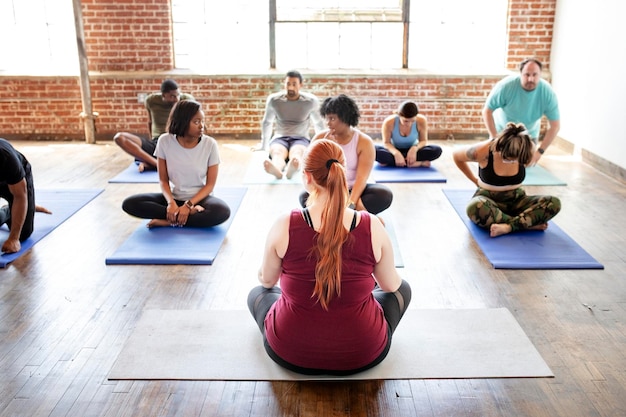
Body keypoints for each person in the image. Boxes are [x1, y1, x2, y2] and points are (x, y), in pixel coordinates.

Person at [247, 139, 412, 375]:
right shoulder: (372, 225)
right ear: (342, 173)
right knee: (402, 288)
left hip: (289, 351)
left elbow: (266, 281)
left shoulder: (284, 224)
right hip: (363, 352)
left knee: (259, 293)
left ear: (307, 177)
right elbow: (391, 285)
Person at [122, 100, 230, 228]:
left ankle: (169, 221)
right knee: (130, 204)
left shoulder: (210, 144)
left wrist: (188, 205)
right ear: (182, 122)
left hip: (200, 199)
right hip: (174, 198)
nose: (201, 126)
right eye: (196, 122)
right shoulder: (164, 141)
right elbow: (163, 180)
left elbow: (210, 185)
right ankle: (184, 216)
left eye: (202, 121)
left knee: (222, 212)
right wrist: (171, 203)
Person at [452, 122, 561, 238]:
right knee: (474, 207)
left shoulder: (528, 149)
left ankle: (508, 226)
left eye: (515, 159)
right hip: (489, 199)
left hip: (517, 200)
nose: (512, 161)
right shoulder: (483, 150)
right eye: (507, 158)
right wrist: (474, 180)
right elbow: (456, 156)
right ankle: (525, 224)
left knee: (554, 203)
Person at [299, 94, 393, 215]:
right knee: (304, 196)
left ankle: (338, 213)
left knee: (383, 194)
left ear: (346, 118)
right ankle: (357, 215)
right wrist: (327, 147)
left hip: (353, 190)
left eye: (332, 119)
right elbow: (310, 171)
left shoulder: (364, 142)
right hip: (327, 190)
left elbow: (361, 178)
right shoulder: (320, 138)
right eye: (326, 119)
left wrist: (351, 203)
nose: (328, 123)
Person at [483, 58, 560, 166]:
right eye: (526, 75)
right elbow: (487, 110)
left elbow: (555, 126)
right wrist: (494, 137)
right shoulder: (506, 86)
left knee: (524, 166)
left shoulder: (547, 93)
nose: (530, 79)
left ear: (540, 75)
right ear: (520, 74)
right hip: (504, 133)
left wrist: (539, 152)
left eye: (535, 75)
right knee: (498, 165)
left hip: (529, 135)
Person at [254, 70, 324, 180]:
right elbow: (267, 122)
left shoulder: (310, 101)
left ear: (301, 85)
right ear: (284, 84)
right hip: (280, 137)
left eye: (294, 84)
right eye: (288, 84)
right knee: (277, 153)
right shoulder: (274, 100)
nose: (290, 87)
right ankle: (276, 170)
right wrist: (264, 145)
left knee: (297, 153)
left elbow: (319, 123)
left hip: (301, 139)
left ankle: (293, 168)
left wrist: (321, 144)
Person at [114, 79, 195, 172]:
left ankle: (149, 163)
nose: (176, 99)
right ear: (163, 95)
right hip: (157, 142)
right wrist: (151, 140)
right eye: (172, 96)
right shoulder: (151, 101)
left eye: (177, 95)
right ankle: (156, 164)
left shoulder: (187, 100)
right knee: (119, 137)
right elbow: (150, 122)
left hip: (177, 142)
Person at [0, 138, 51, 254]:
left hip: (16, 184)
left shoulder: (5, 156)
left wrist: (13, 238)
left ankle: (24, 207)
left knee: (23, 233)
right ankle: (11, 210)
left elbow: (19, 195)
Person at [375, 100, 442, 167]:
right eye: (406, 121)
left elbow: (423, 141)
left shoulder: (421, 120)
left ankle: (393, 163)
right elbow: (386, 143)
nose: (409, 124)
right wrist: (396, 153)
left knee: (436, 150)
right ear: (399, 116)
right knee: (373, 150)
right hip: (394, 150)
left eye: (412, 121)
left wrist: (414, 149)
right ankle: (418, 163)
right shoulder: (389, 122)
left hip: (413, 152)